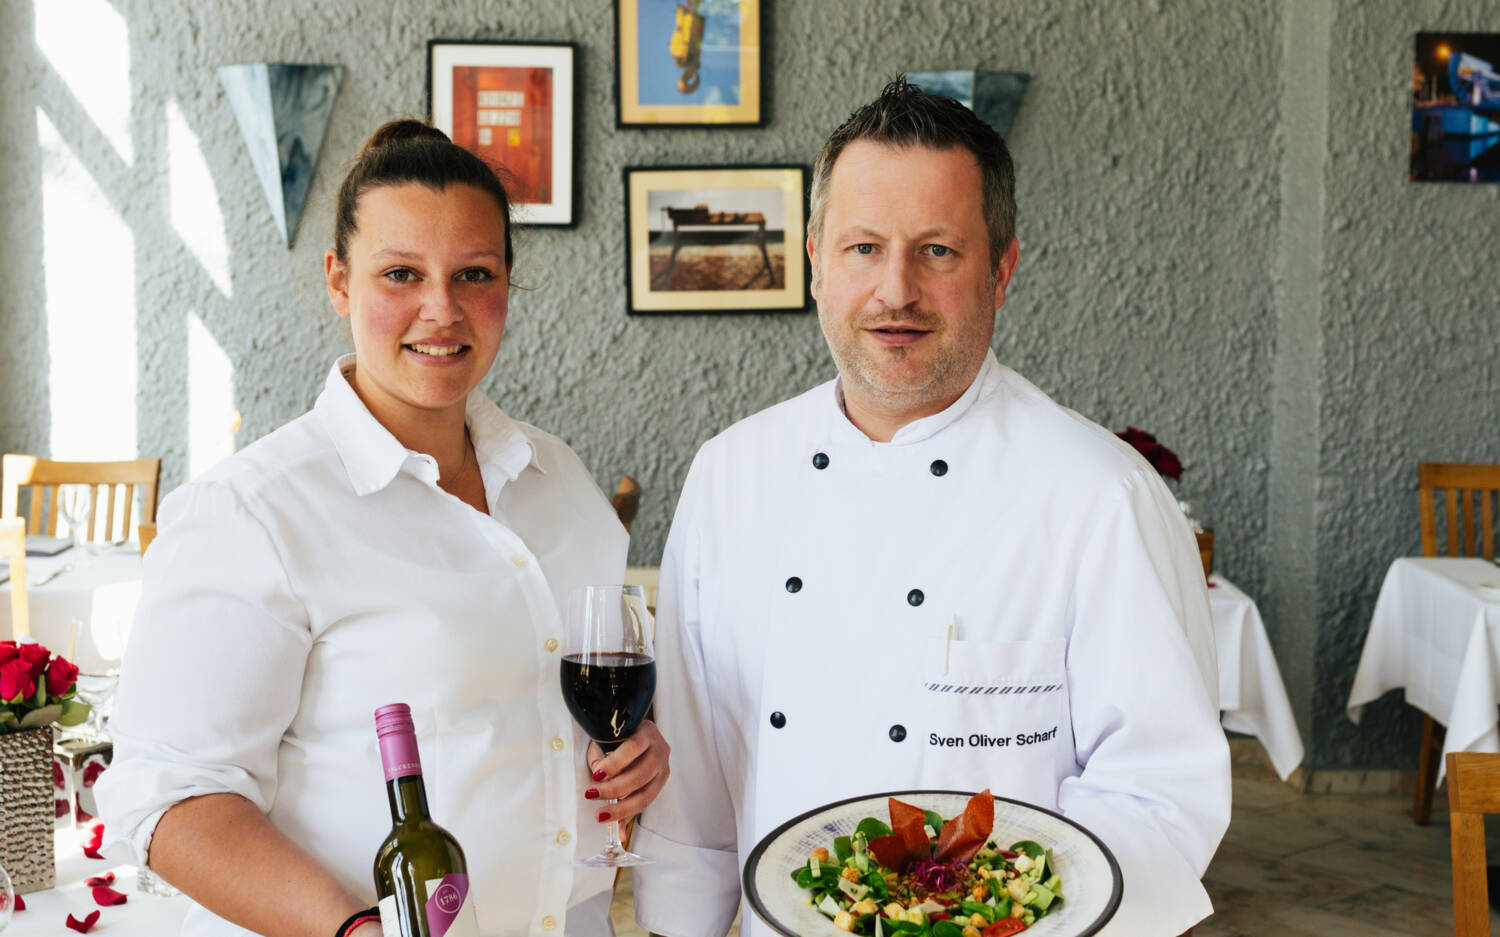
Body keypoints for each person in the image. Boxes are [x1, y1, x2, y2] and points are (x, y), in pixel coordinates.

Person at [630, 77, 1229, 936]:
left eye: (937, 250)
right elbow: (693, 796)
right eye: (863, 248)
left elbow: (1160, 792)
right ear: (814, 262)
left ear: (1003, 268)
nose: (896, 290)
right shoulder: (731, 476)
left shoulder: (1102, 495)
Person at [96, 120, 669, 937]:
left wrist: (639, 750)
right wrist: (351, 930)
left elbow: (562, 713)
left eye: (475, 273)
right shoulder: (252, 512)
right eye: (401, 273)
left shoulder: (562, 481)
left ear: (509, 280)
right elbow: (170, 798)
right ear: (338, 281)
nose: (442, 310)